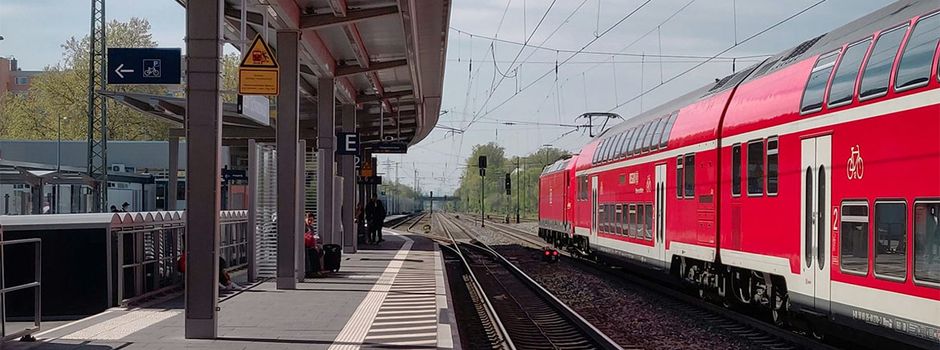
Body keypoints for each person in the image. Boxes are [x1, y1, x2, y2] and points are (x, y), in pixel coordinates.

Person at [304, 212, 323, 277]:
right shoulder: (303, 227)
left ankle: (317, 270)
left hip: (309, 245)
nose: (310, 221)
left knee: (319, 250)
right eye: (308, 219)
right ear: (305, 219)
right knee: (313, 252)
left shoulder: (311, 227)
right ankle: (315, 270)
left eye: (311, 220)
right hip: (305, 246)